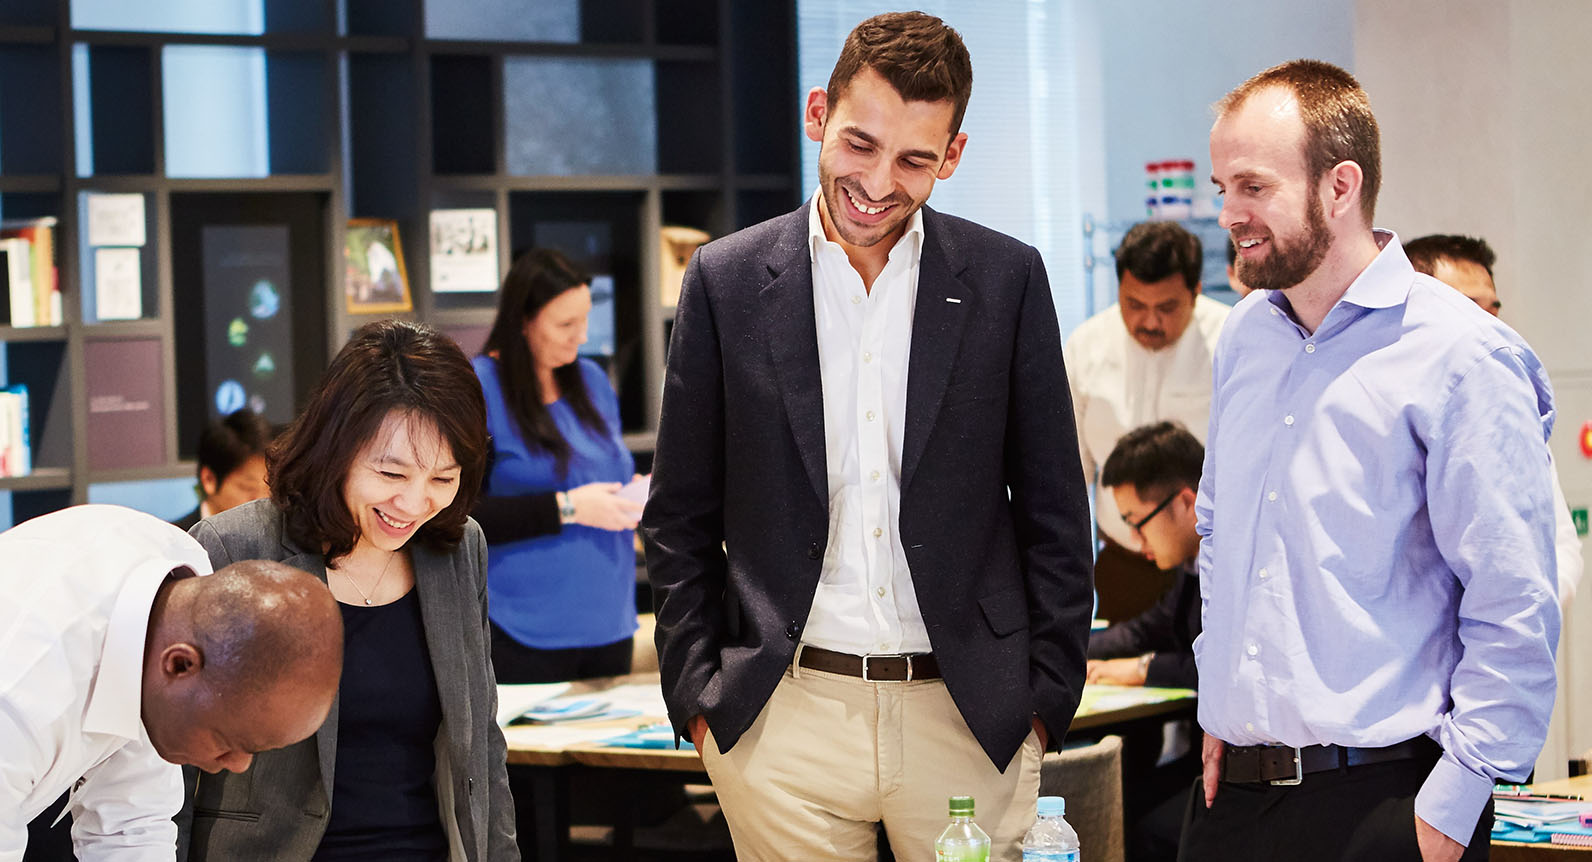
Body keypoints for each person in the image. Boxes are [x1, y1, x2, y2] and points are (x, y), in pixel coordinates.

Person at [641, 12, 1093, 861]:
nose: (878, 183)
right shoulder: (725, 281)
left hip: (969, 715)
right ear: (818, 113)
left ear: (952, 156)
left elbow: (1056, 514)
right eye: (860, 143)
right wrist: (699, 699)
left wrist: (1042, 702)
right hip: (782, 718)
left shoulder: (1008, 279)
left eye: (914, 159)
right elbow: (679, 516)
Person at [1189, 59, 1560, 862]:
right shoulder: (1245, 335)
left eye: (1253, 187)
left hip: (1385, 803)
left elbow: (1515, 604)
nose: (1228, 214)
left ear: (1340, 186)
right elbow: (1218, 533)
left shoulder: (1462, 355)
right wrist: (1223, 700)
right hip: (1229, 801)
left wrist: (1452, 808)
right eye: (1222, 187)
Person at [181, 320, 518, 861]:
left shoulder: (456, 547)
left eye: (443, 478)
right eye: (391, 474)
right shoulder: (233, 548)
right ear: (335, 447)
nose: (414, 504)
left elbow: (481, 742)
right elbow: (168, 765)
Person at [2, 504, 341, 858]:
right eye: (228, 741)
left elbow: (134, 827)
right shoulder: (20, 693)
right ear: (180, 664)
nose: (239, 765)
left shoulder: (175, 592)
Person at [472, 247, 641, 684]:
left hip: (609, 621)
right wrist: (567, 508)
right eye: (566, 325)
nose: (580, 336)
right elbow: (459, 516)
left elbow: (605, 476)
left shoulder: (592, 382)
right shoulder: (478, 387)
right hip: (522, 627)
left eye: (585, 321)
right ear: (523, 321)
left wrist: (637, 493)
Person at [1063, 220, 1228, 623]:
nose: (1150, 322)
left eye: (1167, 307)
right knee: (1114, 660)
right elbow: (1070, 472)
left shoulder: (1231, 340)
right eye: (1134, 305)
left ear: (1196, 291)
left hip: (1216, 563)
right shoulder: (1086, 346)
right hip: (1126, 562)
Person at [1405, 232, 1580, 608]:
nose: (1488, 328)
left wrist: (1518, 616)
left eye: (1493, 312)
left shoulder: (1511, 415)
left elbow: (1561, 547)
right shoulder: (1376, 411)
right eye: (1469, 309)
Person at [1083, 422, 1204, 862]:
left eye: (1138, 522)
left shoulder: (1229, 566)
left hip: (1239, 770)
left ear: (1187, 502)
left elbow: (1219, 665)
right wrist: (1068, 652)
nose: (1135, 541)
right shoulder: (1190, 566)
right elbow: (1145, 629)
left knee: (1136, 820)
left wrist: (1139, 669)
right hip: (1204, 759)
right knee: (1122, 795)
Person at [173, 408, 276, 532]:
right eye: (248, 488)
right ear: (209, 479)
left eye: (268, 488)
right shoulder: (175, 538)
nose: (261, 500)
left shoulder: (278, 537)